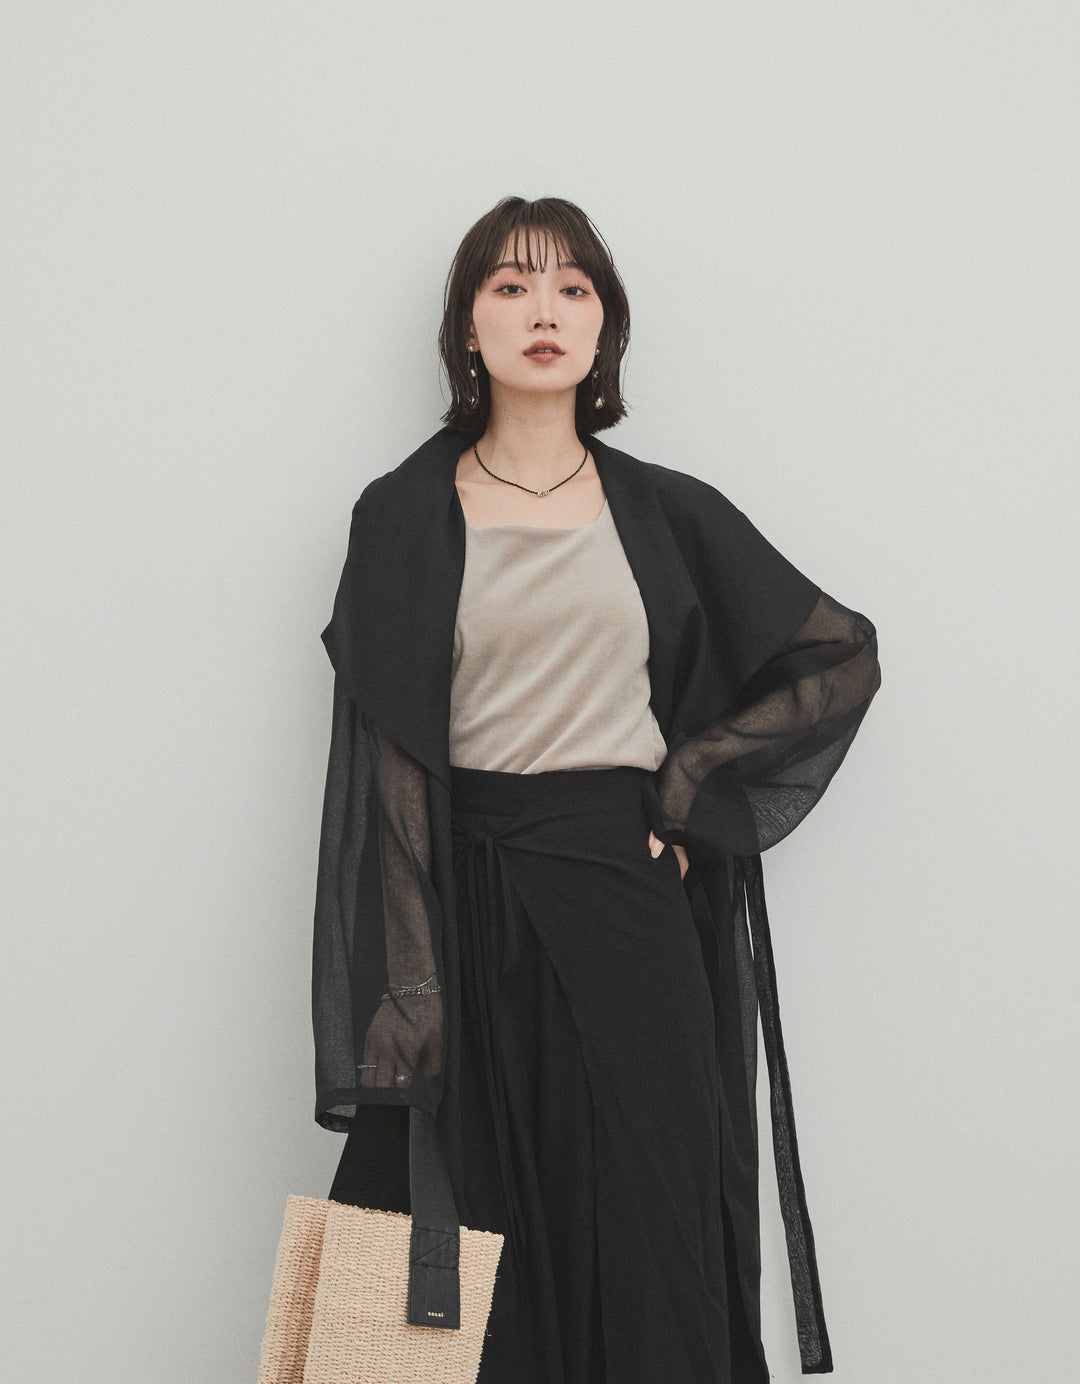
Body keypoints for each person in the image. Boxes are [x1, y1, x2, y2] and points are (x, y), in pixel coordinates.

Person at [312, 196, 881, 1384]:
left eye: (573, 288)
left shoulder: (666, 510)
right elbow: (389, 763)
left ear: (605, 327)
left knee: (650, 1224)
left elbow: (837, 657)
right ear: (467, 327)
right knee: (444, 1255)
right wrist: (406, 983)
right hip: (469, 907)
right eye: (512, 286)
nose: (545, 311)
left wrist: (689, 788)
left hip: (627, 907)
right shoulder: (402, 515)